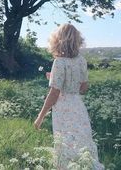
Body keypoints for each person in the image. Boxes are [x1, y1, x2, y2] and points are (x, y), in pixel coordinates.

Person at [34, 23, 105, 170]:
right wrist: (57, 79)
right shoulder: (82, 60)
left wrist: (40, 117)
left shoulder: (59, 62)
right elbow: (84, 88)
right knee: (82, 140)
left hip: (63, 108)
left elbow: (54, 94)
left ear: (57, 40)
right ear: (77, 40)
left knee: (65, 142)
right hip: (78, 106)